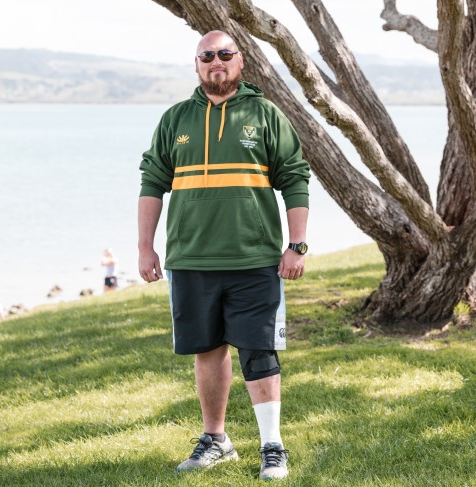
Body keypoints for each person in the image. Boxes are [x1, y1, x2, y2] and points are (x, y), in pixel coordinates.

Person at [138, 30, 310, 481]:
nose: (217, 61)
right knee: (208, 350)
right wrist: (144, 246)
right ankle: (216, 440)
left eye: (225, 54)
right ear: (197, 65)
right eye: (207, 56)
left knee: (259, 349)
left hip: (254, 258)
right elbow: (152, 183)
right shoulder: (176, 119)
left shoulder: (266, 114)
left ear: (241, 61)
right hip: (190, 258)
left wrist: (296, 245)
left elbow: (295, 178)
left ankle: (272, 447)